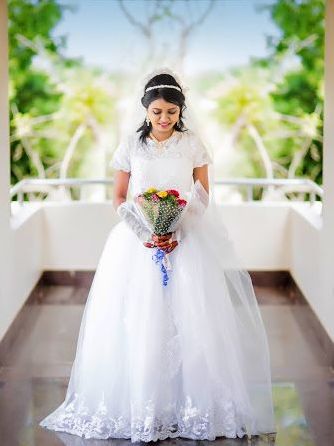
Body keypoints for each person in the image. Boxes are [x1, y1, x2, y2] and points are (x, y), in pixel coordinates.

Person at [39, 69, 277, 443]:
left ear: (180, 111)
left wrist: (176, 230)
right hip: (136, 243)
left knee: (192, 319)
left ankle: (192, 403)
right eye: (157, 112)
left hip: (188, 240)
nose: (164, 119)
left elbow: (201, 195)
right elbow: (118, 198)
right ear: (146, 111)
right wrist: (147, 231)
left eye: (171, 112)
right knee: (140, 320)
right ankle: (143, 404)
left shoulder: (193, 144)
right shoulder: (131, 147)